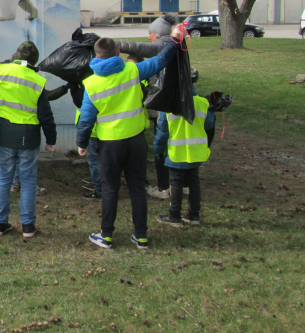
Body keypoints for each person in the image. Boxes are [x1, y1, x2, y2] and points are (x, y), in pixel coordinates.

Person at [76, 25, 186, 250]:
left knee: (109, 189)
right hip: (136, 141)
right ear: (118, 53)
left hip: (110, 145)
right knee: (137, 188)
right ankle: (141, 236)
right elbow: (160, 61)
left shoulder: (92, 84)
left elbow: (86, 118)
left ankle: (106, 236)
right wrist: (175, 40)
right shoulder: (132, 70)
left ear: (96, 56)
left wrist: (82, 143)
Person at [0, 41, 57, 239]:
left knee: (3, 178)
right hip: (29, 136)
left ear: (15, 55)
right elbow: (46, 115)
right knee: (28, 182)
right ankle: (28, 226)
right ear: (34, 61)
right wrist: (51, 140)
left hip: (4, 134)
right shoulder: (37, 80)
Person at [116, 14, 178, 200]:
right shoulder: (171, 43)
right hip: (168, 98)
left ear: (157, 34)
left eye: (150, 33)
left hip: (164, 100)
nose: (149, 37)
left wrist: (114, 43)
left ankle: (163, 187)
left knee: (162, 142)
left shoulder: (165, 43)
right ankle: (178, 183)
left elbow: (142, 48)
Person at [154, 84, 226, 227]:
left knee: (175, 182)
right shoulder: (202, 103)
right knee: (194, 182)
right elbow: (209, 125)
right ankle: (194, 215)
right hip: (196, 151)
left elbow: (162, 130)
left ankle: (174, 215)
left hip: (177, 152)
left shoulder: (168, 106)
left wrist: (158, 149)